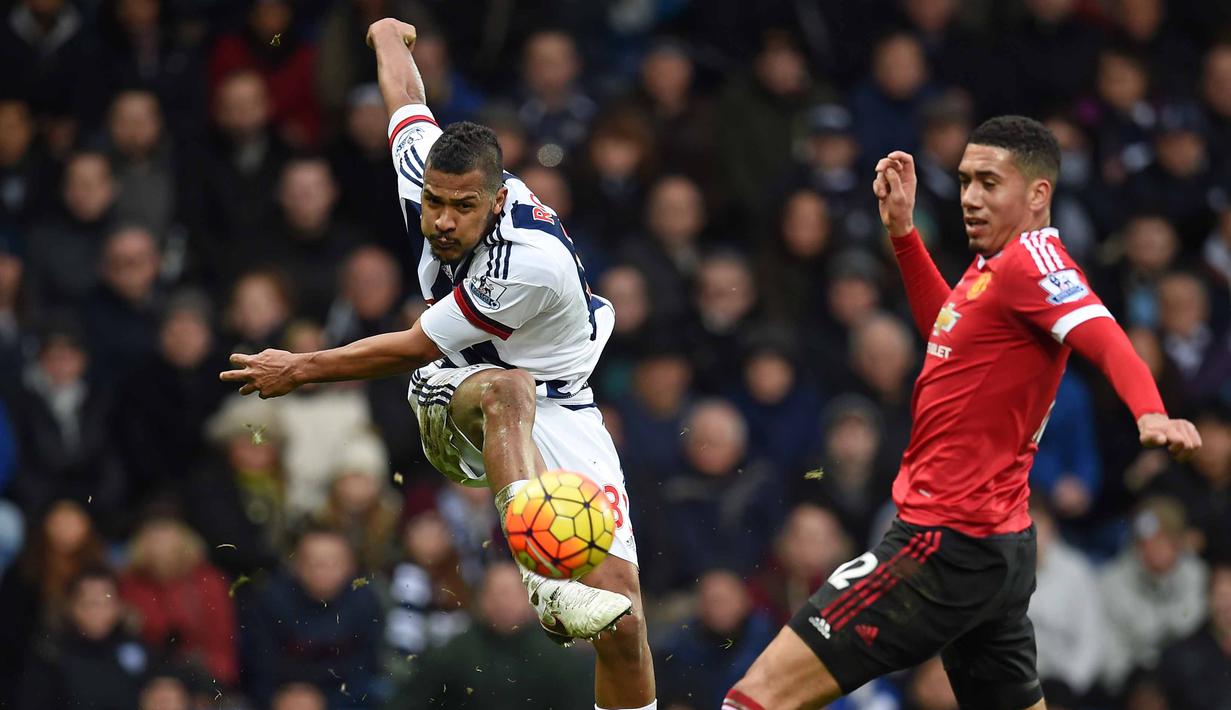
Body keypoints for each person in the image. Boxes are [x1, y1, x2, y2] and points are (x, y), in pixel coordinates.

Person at [221, 18, 655, 710]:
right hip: (456, 392)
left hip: (564, 406)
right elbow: (405, 103)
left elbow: (410, 340)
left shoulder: (526, 263)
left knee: (625, 622)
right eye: (434, 203)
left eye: (462, 208)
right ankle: (541, 581)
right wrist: (388, 39)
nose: (443, 221)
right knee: (507, 388)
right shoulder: (426, 167)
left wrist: (296, 367)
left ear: (499, 198)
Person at [725, 116, 1203, 709]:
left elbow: (1102, 332)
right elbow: (946, 332)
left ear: (1037, 194)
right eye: (965, 181)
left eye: (989, 183)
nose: (970, 199)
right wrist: (903, 233)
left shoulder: (1034, 262)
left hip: (940, 544)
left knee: (755, 697)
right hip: (994, 544)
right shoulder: (993, 267)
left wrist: (1150, 411)